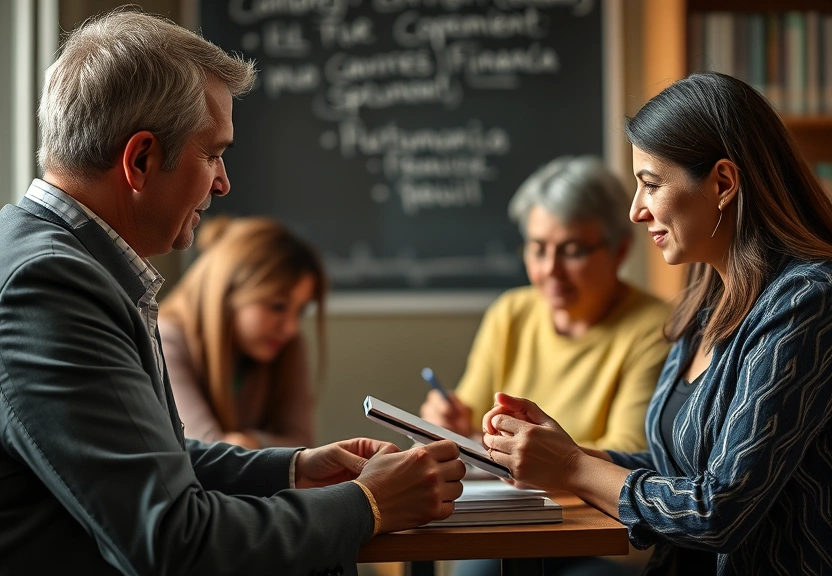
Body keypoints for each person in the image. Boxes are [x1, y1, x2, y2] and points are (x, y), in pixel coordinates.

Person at [0, 7, 465, 576]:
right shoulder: (50, 284)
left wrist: (293, 469)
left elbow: (146, 461)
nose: (224, 182)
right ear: (141, 159)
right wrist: (368, 505)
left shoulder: (55, 257)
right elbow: (175, 543)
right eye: (213, 153)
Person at [483, 72, 832, 576]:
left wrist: (571, 468)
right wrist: (565, 451)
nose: (635, 211)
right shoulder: (706, 298)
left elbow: (717, 511)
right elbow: (680, 473)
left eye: (650, 184)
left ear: (723, 183)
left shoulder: (809, 301)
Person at [421, 156, 670, 453]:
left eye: (573, 251)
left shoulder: (656, 327)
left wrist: (536, 457)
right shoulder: (511, 312)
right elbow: (470, 422)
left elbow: (630, 453)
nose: (551, 269)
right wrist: (451, 422)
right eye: (538, 250)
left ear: (620, 250)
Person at [160, 216, 324, 449]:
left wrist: (248, 442)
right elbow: (207, 453)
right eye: (277, 306)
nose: (291, 328)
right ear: (227, 293)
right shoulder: (164, 340)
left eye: (300, 311)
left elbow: (303, 443)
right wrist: (263, 448)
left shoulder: (287, 345)